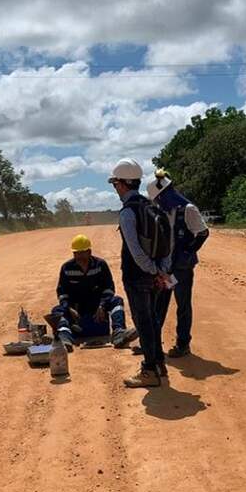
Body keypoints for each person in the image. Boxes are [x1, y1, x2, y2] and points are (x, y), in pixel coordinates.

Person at [109, 158, 171, 388]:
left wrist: (153, 271)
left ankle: (149, 370)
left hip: (137, 277)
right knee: (152, 320)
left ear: (122, 184)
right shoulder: (152, 207)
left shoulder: (128, 212)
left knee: (143, 322)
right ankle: (159, 364)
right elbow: (168, 244)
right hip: (155, 275)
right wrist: (161, 271)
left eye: (116, 184)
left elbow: (135, 252)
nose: (116, 189)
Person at [148, 169, 210, 358]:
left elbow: (203, 233)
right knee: (159, 304)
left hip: (181, 269)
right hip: (166, 268)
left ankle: (183, 344)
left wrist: (188, 251)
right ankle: (152, 343)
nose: (157, 203)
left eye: (158, 199)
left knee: (182, 305)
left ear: (164, 194)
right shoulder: (161, 212)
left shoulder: (188, 209)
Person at [50, 234, 138, 351]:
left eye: (82, 253)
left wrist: (102, 306)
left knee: (117, 301)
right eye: (76, 253)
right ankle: (64, 339)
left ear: (89, 252)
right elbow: (62, 292)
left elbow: (108, 288)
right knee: (57, 311)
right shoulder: (66, 268)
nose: (79, 256)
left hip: (97, 307)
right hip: (76, 308)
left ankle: (119, 333)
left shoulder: (100, 265)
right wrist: (69, 308)